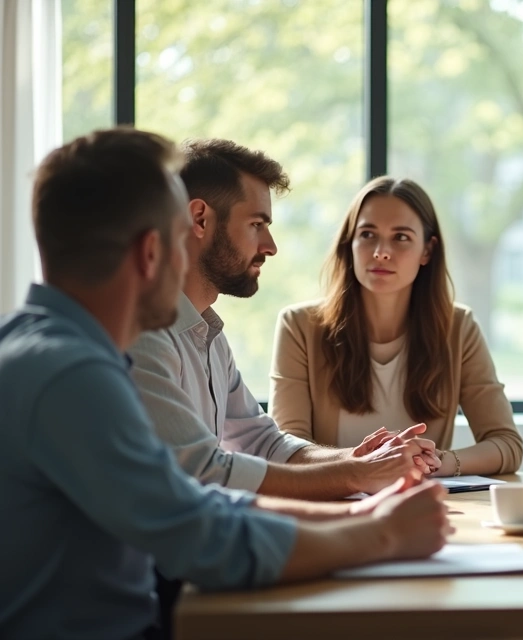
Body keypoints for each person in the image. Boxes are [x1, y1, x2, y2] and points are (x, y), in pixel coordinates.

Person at [0, 128, 451, 640]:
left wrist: (363, 513)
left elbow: (196, 503)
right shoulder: (71, 375)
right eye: (178, 242)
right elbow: (201, 537)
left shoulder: (46, 348)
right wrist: (382, 534)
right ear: (153, 252)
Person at [128, 138, 434, 501]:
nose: (270, 245)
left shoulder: (208, 338)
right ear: (200, 219)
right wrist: (357, 475)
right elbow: (202, 471)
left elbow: (263, 442)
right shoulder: (143, 335)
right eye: (257, 224)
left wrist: (358, 458)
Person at [269, 177, 523, 476]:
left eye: (400, 237)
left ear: (427, 251)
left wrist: (437, 461)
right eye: (367, 234)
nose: (381, 251)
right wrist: (368, 463)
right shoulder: (298, 327)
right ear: (349, 243)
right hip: (333, 509)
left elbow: (506, 445)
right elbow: (287, 449)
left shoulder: (459, 328)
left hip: (422, 505)